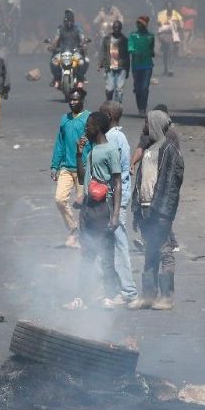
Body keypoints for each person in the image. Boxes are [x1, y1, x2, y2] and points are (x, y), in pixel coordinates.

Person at [64, 111, 121, 310]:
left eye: (88, 125)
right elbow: (82, 178)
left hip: (103, 209)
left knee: (106, 255)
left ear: (97, 127)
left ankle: (110, 295)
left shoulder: (110, 150)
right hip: (89, 211)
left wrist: (115, 215)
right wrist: (79, 154)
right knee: (87, 256)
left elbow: (117, 182)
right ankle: (81, 297)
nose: (85, 128)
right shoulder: (91, 151)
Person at [129, 109, 182, 310]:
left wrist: (163, 211)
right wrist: (137, 209)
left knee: (164, 250)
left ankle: (167, 296)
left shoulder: (169, 150)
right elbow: (140, 181)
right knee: (150, 251)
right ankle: (148, 295)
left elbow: (171, 185)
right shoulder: (150, 147)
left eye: (146, 122)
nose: (144, 126)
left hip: (159, 211)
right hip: (145, 209)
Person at [101, 102, 138, 306]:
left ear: (108, 116)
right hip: (117, 197)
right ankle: (118, 288)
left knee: (119, 243)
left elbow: (114, 173)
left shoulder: (113, 138)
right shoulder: (118, 137)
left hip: (115, 198)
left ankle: (128, 291)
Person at [50, 87, 89, 249]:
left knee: (82, 204)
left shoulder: (88, 118)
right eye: (70, 99)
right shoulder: (64, 119)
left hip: (83, 167)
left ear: (82, 100)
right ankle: (73, 228)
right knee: (59, 199)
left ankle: (83, 236)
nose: (73, 102)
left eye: (76, 99)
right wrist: (54, 165)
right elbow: (60, 143)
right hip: (66, 166)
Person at [50, 10, 89, 89]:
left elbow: (82, 39)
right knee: (54, 62)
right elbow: (56, 40)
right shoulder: (60, 29)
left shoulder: (78, 29)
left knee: (82, 62)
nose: (69, 23)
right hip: (62, 51)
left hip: (75, 51)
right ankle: (57, 79)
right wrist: (53, 46)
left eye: (70, 20)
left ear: (73, 21)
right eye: (67, 20)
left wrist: (83, 45)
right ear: (64, 21)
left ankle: (80, 80)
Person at [127, 16, 155, 117]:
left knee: (144, 88)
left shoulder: (150, 36)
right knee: (138, 88)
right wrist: (134, 51)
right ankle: (140, 107)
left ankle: (143, 108)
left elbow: (152, 50)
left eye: (141, 24)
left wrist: (149, 53)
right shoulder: (133, 35)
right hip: (136, 65)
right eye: (138, 23)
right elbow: (130, 47)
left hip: (147, 65)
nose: (139, 25)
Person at [99, 20, 129, 103]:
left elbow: (127, 55)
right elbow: (103, 51)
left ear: (121, 29)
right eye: (115, 28)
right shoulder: (107, 39)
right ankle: (108, 102)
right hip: (110, 66)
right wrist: (100, 63)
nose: (116, 29)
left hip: (121, 66)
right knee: (109, 88)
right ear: (112, 28)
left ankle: (117, 106)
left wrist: (128, 70)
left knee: (119, 89)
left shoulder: (124, 40)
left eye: (118, 28)